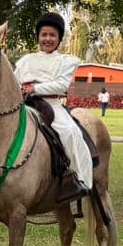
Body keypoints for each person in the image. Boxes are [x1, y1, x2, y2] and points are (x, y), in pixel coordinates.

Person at [12, 12, 93, 195]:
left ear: (59, 38)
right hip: (24, 106)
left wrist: (34, 89)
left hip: (52, 106)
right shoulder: (25, 61)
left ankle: (77, 179)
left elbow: (62, 84)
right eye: (44, 35)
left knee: (69, 132)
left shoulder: (65, 61)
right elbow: (14, 81)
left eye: (52, 35)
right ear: (38, 37)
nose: (47, 39)